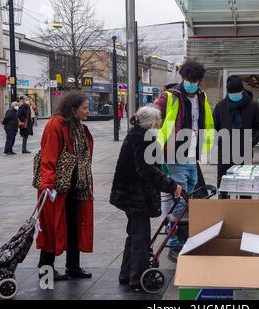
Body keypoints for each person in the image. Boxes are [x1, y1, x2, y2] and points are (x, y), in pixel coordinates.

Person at [110, 106, 182, 291]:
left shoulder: (135, 135)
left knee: (134, 234)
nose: (158, 126)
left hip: (127, 194)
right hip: (135, 196)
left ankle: (126, 273)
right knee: (141, 236)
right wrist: (171, 185)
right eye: (157, 123)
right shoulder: (144, 139)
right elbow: (148, 170)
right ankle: (138, 278)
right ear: (151, 123)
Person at [155, 59, 215, 263]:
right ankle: (175, 244)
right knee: (178, 201)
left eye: (196, 80)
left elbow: (203, 121)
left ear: (200, 81)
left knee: (189, 200)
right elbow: (153, 116)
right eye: (189, 79)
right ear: (183, 78)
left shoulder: (201, 96)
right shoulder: (170, 96)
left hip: (192, 156)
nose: (192, 83)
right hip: (174, 154)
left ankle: (184, 239)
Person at [36, 91, 94, 281]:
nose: (87, 111)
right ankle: (45, 269)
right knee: (52, 227)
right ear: (72, 109)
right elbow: (48, 157)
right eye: (84, 108)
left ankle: (73, 266)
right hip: (58, 188)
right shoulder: (55, 125)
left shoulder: (76, 125)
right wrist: (47, 185)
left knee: (73, 226)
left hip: (76, 186)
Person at [213, 75, 259, 190]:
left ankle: (244, 207)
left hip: (244, 150)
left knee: (244, 185)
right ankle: (224, 207)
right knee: (223, 184)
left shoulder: (252, 106)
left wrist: (252, 140)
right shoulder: (221, 106)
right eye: (232, 93)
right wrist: (220, 140)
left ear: (242, 91)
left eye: (236, 92)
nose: (234, 95)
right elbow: (213, 127)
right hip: (225, 151)